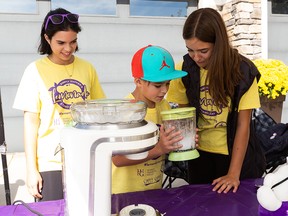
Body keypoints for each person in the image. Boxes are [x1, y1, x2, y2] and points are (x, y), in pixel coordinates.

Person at [166, 8, 266, 194]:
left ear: (218, 44)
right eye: (190, 50)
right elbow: (183, 116)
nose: (196, 57)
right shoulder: (184, 70)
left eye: (203, 50)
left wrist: (233, 174)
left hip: (236, 157)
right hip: (200, 156)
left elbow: (243, 126)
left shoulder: (243, 72)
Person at [13, 8, 105, 201]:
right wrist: (31, 170)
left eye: (73, 41)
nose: (68, 48)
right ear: (47, 39)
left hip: (85, 155)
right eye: (61, 43)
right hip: (50, 161)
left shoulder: (87, 68)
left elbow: (99, 111)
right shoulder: (34, 71)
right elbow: (31, 123)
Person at [111, 45, 188, 194]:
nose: (164, 90)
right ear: (138, 81)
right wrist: (159, 149)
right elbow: (117, 160)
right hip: (124, 193)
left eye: (168, 83)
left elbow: (169, 146)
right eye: (158, 85)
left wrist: (184, 140)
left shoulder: (164, 106)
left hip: (154, 189)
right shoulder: (125, 111)